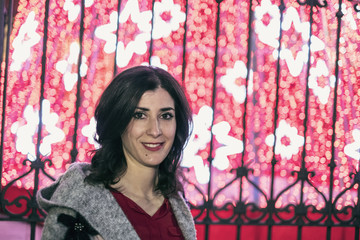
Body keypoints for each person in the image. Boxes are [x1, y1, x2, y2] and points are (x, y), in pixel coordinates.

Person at [37, 65, 196, 240]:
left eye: (166, 116)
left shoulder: (176, 202)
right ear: (118, 121)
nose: (155, 130)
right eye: (139, 115)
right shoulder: (78, 199)